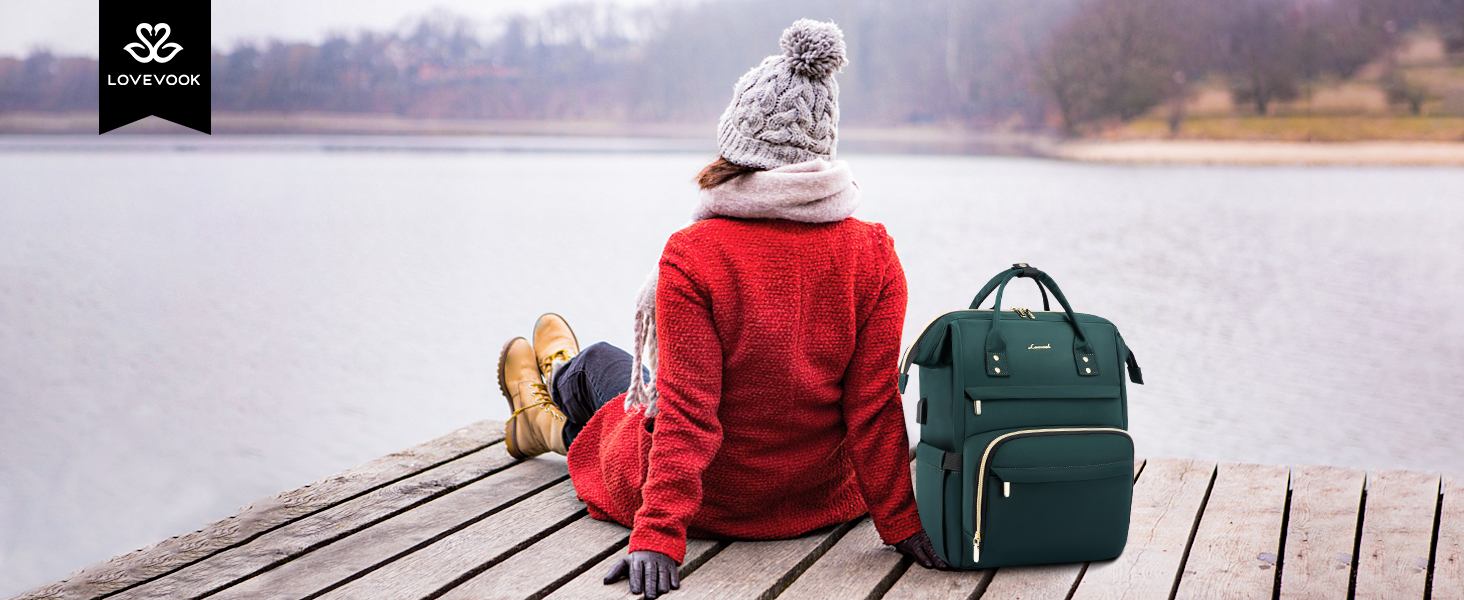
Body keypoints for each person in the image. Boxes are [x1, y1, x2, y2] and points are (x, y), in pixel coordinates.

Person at [495, 18, 949, 599]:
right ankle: (544, 406)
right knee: (625, 384)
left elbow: (687, 412)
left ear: (737, 144)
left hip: (711, 500)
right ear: (819, 152)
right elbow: (873, 404)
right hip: (819, 498)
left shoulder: (695, 253)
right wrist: (902, 524)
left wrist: (657, 534)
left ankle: (549, 393)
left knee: (603, 371)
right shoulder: (874, 253)